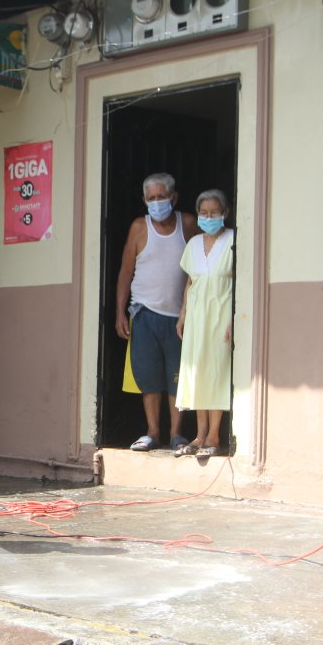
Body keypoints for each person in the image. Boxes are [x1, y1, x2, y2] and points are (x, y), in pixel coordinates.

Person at [116, 172, 200, 452]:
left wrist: (192, 310)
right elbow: (126, 272)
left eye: (161, 196)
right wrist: (120, 313)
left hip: (178, 317)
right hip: (144, 312)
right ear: (144, 201)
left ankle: (177, 433)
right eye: (151, 198)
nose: (157, 202)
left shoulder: (187, 224)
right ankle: (152, 431)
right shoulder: (139, 227)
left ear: (174, 197)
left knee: (177, 377)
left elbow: (200, 266)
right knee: (149, 377)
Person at [174, 190, 235, 459]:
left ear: (225, 213)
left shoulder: (233, 240)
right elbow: (190, 281)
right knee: (197, 369)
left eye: (214, 212)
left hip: (221, 314)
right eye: (204, 213)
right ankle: (199, 435)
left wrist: (235, 319)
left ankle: (214, 436)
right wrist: (183, 313)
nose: (209, 217)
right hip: (197, 315)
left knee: (216, 371)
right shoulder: (193, 244)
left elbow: (240, 281)